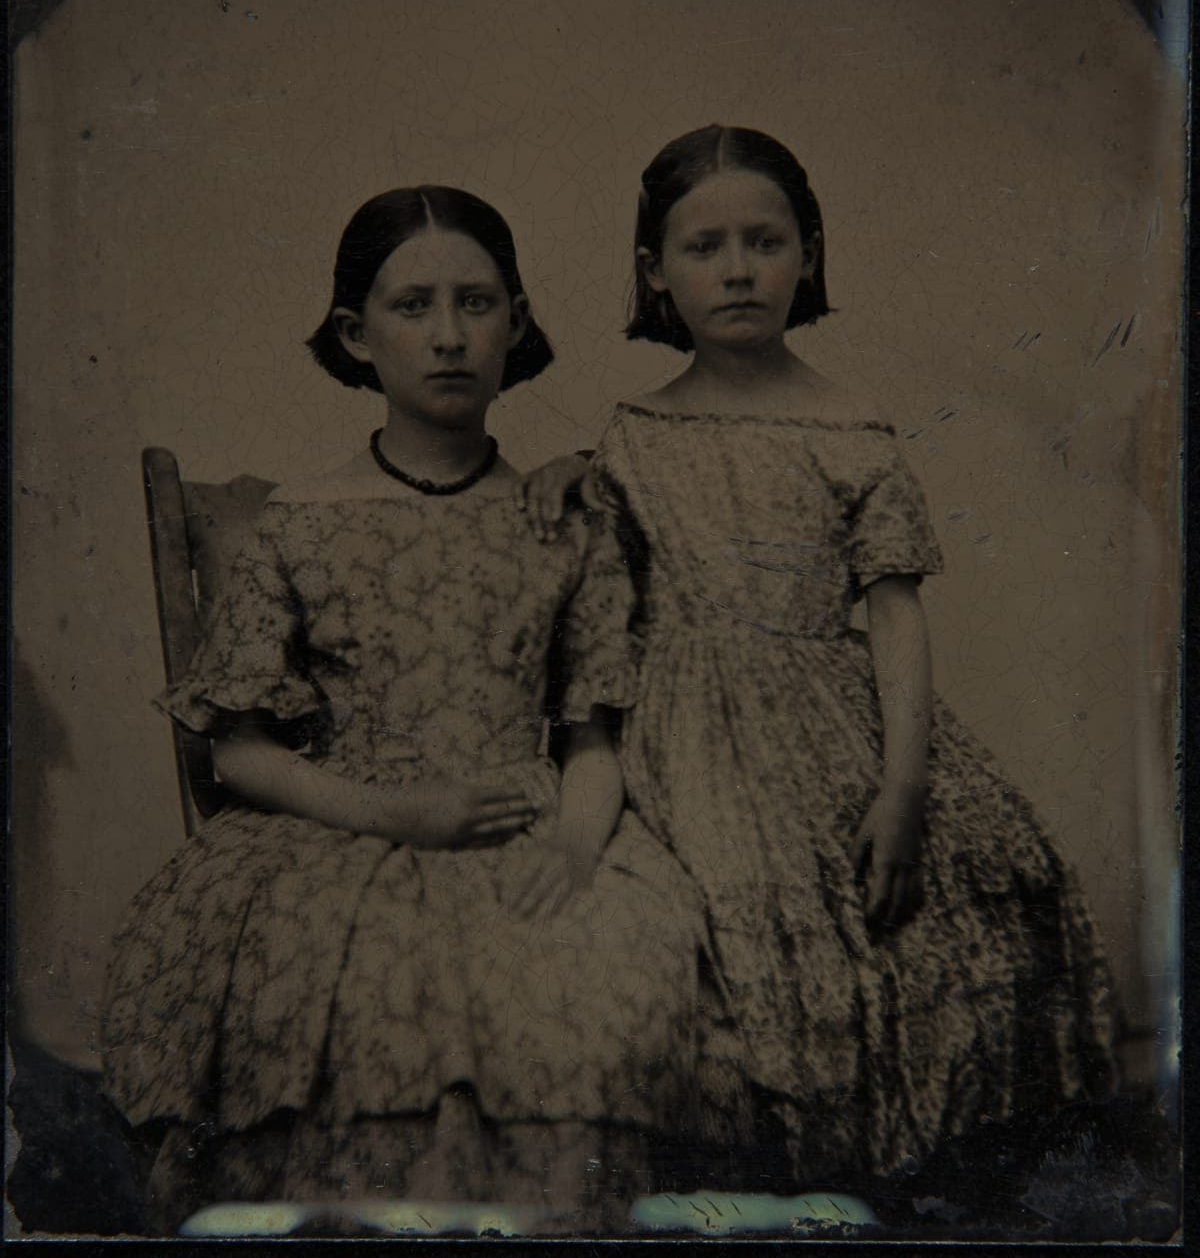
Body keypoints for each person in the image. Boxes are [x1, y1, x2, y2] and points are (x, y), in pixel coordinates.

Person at [521, 125, 1119, 1191]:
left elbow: (893, 616)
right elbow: (613, 580)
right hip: (683, 732)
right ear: (655, 273)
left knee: (954, 894)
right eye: (704, 247)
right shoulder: (632, 431)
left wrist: (903, 788)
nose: (738, 270)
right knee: (734, 910)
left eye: (766, 242)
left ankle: (908, 1177)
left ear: (809, 256)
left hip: (826, 716)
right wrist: (573, 470)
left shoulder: (850, 430)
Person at [102, 186, 710, 1234]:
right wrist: (396, 815)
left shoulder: (566, 521)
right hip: (340, 827)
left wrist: (576, 848)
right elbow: (238, 755)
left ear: (517, 322)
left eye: (476, 303)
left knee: (610, 953)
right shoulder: (300, 523)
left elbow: (593, 738)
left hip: (528, 824)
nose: (448, 336)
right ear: (356, 333)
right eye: (412, 306)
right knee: (333, 980)